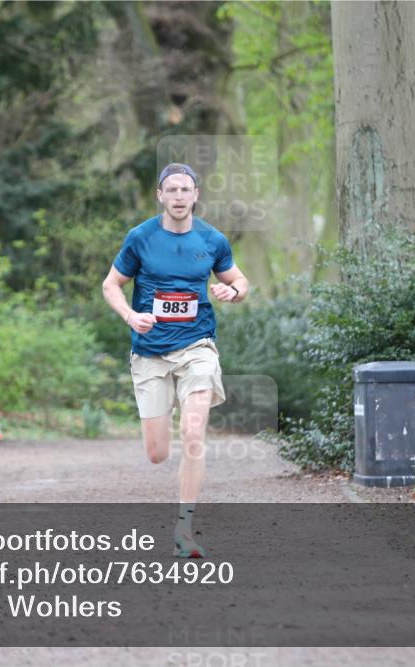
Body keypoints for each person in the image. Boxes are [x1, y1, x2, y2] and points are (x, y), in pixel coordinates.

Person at [102, 163, 249, 557]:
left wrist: (233, 291)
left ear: (196, 195)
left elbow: (240, 280)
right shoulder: (141, 238)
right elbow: (111, 285)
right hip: (150, 352)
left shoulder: (212, 240)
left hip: (197, 347)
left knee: (194, 433)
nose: (180, 196)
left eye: (186, 189)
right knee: (157, 453)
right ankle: (164, 456)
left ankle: (185, 526)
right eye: (172, 190)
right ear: (160, 195)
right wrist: (131, 316)